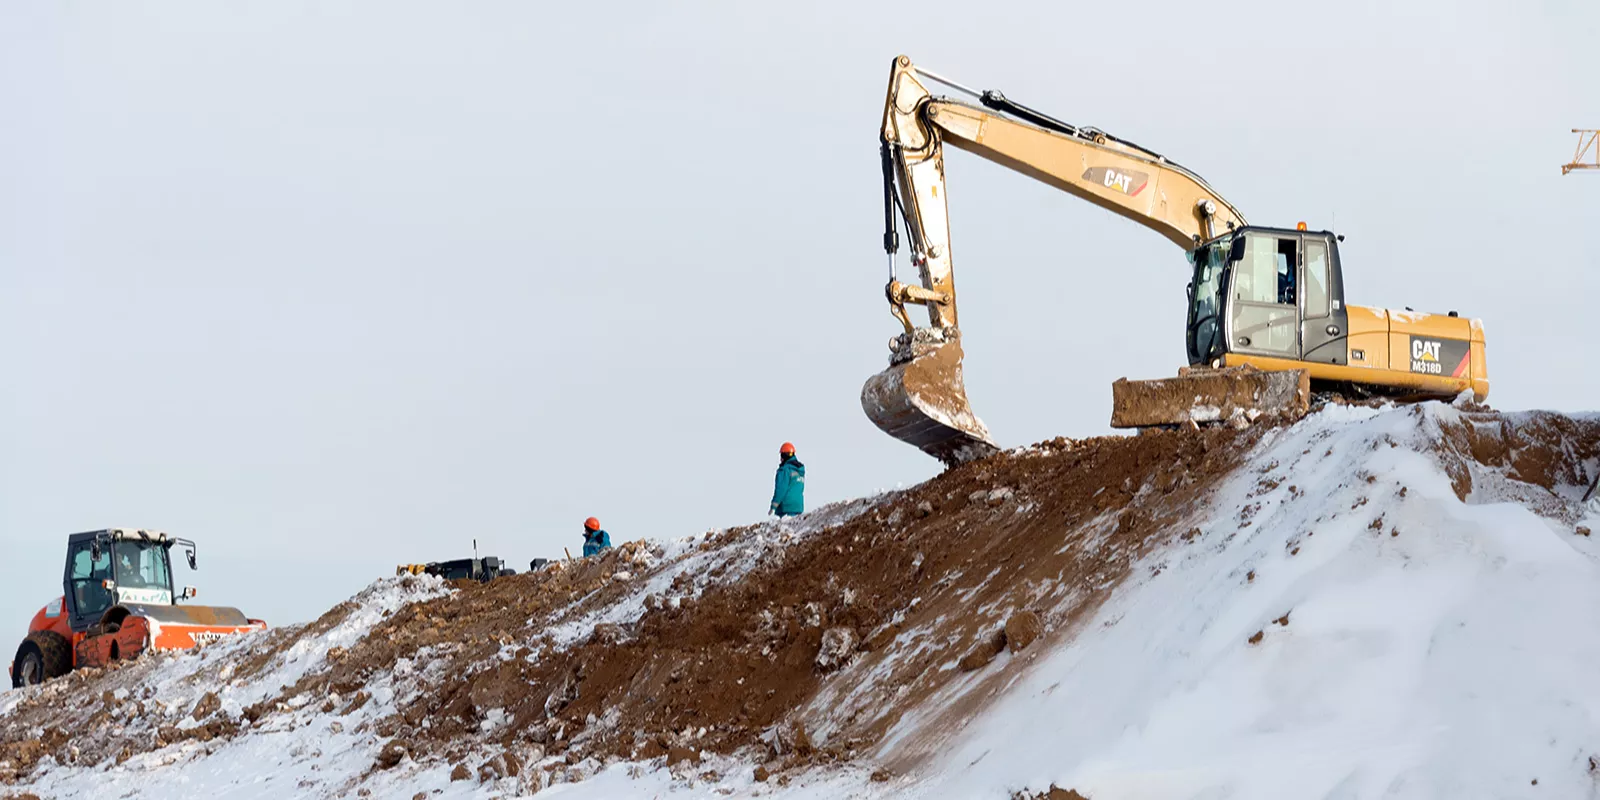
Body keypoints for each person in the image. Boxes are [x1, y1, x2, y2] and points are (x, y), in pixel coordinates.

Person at [769, 442, 806, 518]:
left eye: (781, 455)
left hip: (786, 508)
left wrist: (773, 506)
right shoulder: (800, 470)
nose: (780, 459)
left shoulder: (785, 470)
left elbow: (780, 489)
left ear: (785, 455)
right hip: (798, 507)